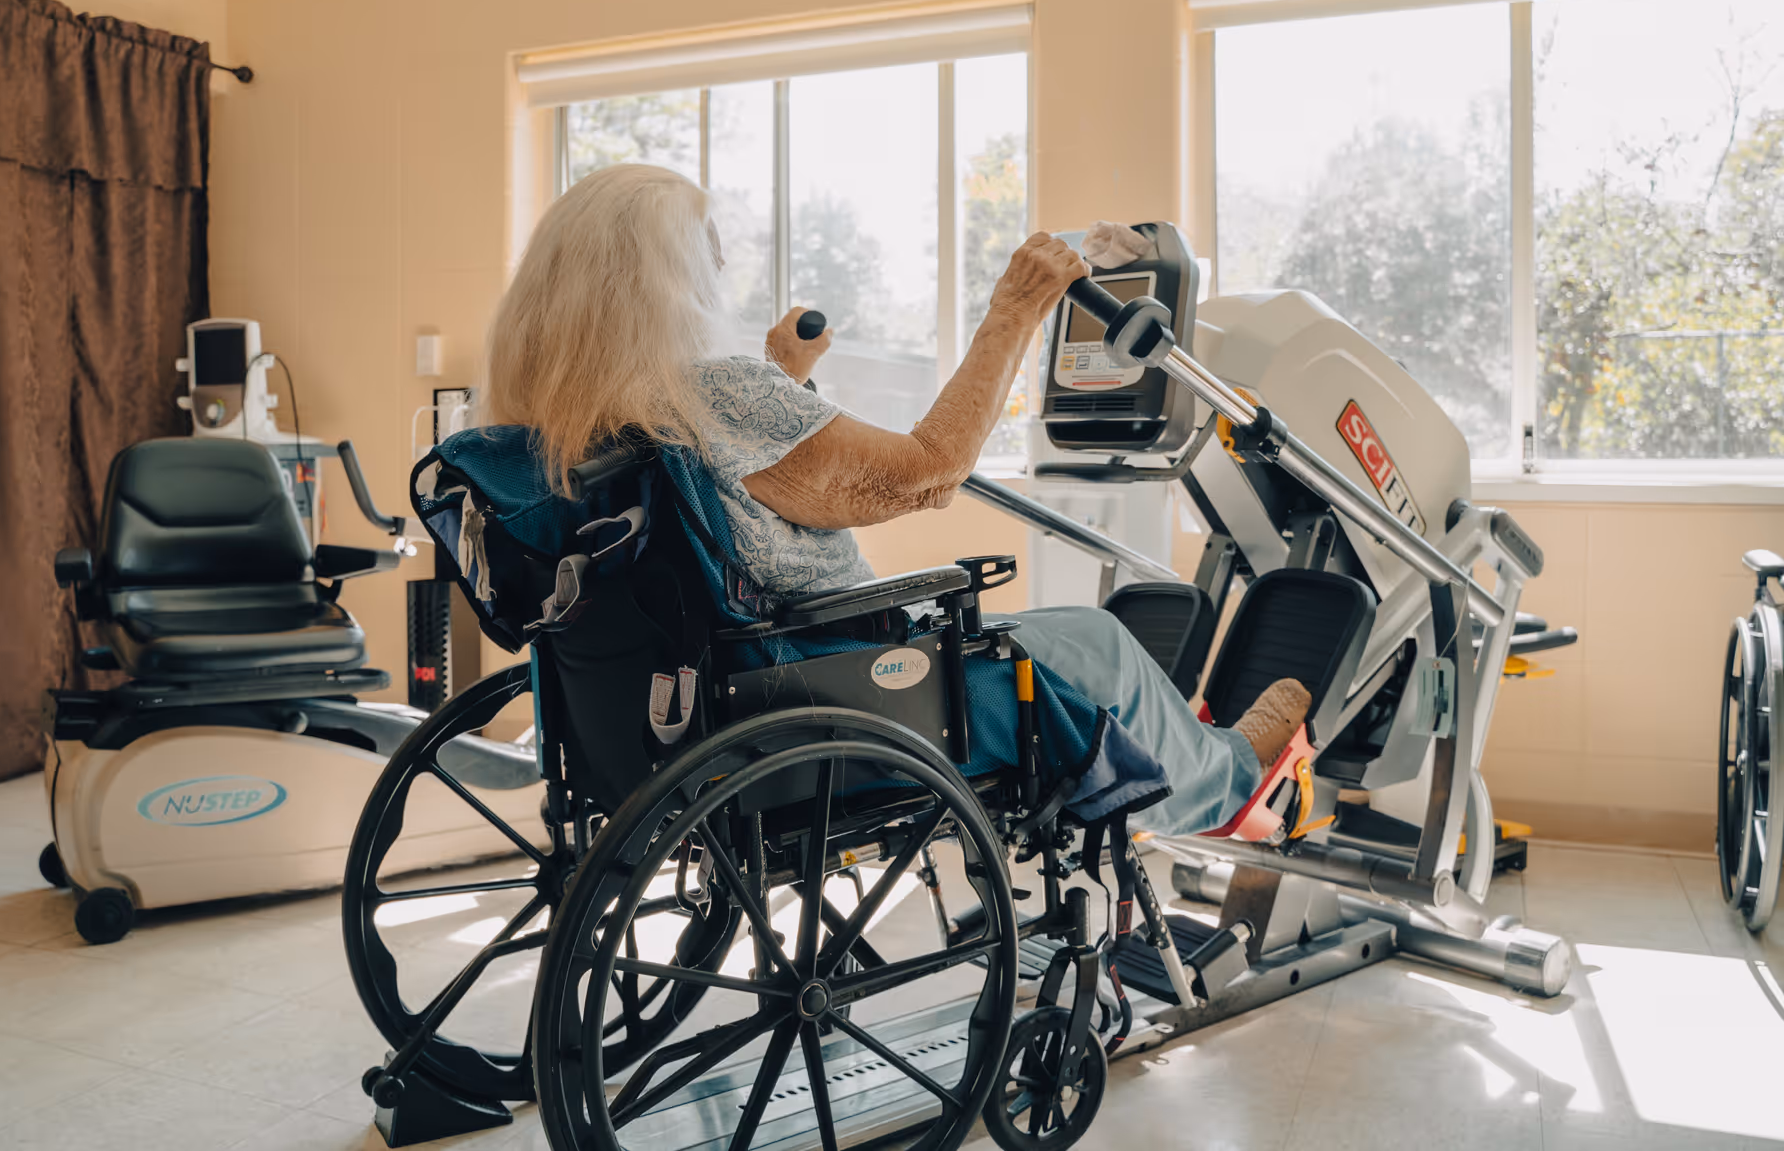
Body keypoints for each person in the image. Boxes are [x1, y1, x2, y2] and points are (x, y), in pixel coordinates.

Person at [481, 163, 1308, 836]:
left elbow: (727, 495)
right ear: (665, 280)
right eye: (709, 253)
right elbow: (931, 470)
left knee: (1084, 644)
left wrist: (783, 387)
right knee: (1096, 639)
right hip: (816, 684)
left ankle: (1189, 748)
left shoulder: (563, 421)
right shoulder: (714, 392)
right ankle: (1229, 782)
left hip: (640, 722)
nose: (724, 268)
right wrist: (1014, 311)